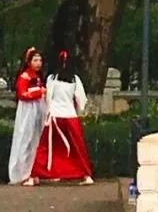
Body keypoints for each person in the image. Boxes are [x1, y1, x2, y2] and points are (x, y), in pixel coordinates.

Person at [30, 51, 94, 185]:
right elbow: (81, 99)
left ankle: (36, 174)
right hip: (70, 115)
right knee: (78, 147)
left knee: (46, 147)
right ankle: (86, 174)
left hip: (55, 115)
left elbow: (48, 98)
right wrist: (79, 110)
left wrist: (48, 110)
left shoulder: (52, 78)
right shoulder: (75, 79)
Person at [8, 48, 46, 186]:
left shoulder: (38, 77)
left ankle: (32, 171)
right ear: (29, 62)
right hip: (27, 110)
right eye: (35, 60)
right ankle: (22, 173)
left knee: (35, 140)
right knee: (25, 139)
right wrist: (38, 92)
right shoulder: (25, 76)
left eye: (40, 60)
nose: (38, 63)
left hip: (37, 109)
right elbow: (22, 94)